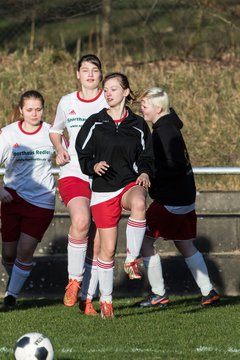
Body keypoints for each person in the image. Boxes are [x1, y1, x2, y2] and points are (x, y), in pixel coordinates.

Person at [75, 72, 154, 318]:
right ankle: (106, 302)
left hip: (129, 184)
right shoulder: (95, 122)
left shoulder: (138, 124)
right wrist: (93, 166)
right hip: (102, 191)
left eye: (113, 89)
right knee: (106, 251)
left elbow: (147, 156)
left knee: (139, 201)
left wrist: (144, 172)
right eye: (106, 89)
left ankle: (132, 259)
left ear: (126, 92)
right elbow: (83, 154)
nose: (108, 93)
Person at [139, 87, 220, 308]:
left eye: (144, 105)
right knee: (184, 243)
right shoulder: (168, 127)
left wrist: (150, 176)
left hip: (172, 200)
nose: (141, 108)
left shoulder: (164, 132)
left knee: (143, 241)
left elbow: (173, 166)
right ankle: (208, 291)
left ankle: (158, 294)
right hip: (184, 198)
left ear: (158, 108)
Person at [49, 54, 108, 315]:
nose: (90, 75)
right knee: (81, 221)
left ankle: (88, 299)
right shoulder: (67, 101)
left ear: (101, 74)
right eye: (85, 70)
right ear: (78, 74)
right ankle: (74, 280)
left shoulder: (109, 99)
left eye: (94, 70)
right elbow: (54, 130)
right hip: (74, 172)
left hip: (105, 176)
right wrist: (60, 148)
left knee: (97, 241)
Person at [0, 90, 56, 310]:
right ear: (21, 111)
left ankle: (11, 296)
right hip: (12, 198)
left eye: (38, 109)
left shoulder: (52, 132)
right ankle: (16, 281)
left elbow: (70, 157)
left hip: (42, 200)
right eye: (30, 110)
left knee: (25, 251)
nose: (34, 114)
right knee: (9, 253)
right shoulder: (9, 134)